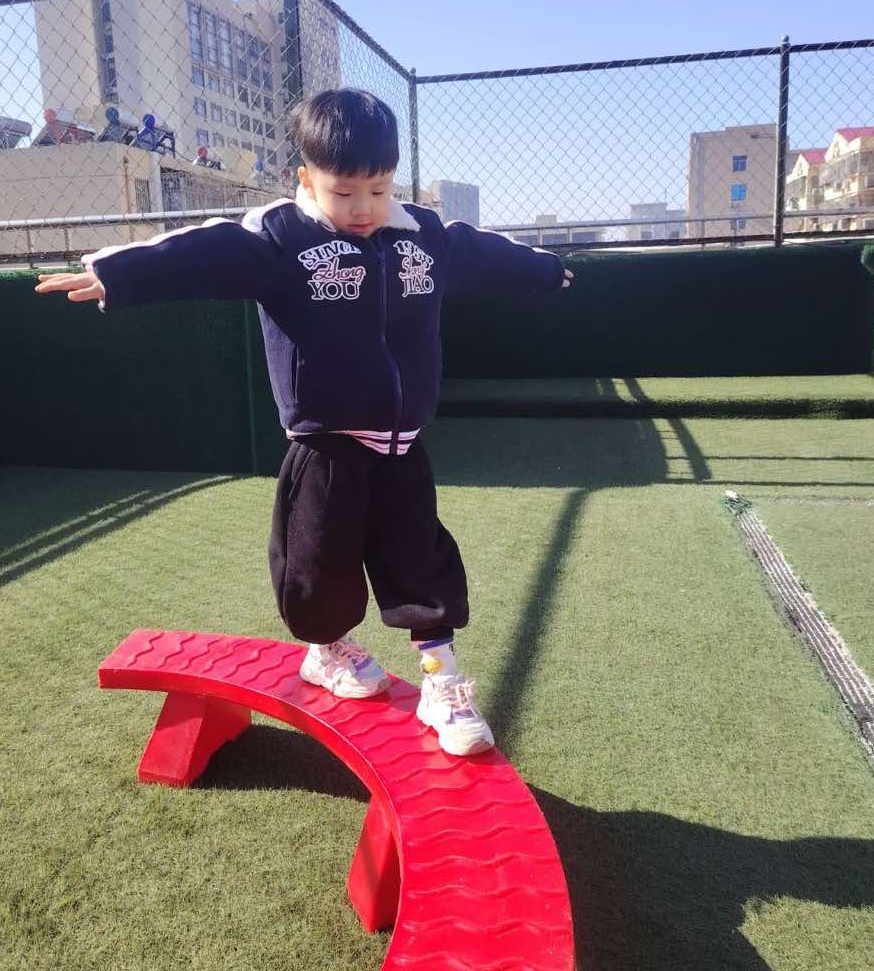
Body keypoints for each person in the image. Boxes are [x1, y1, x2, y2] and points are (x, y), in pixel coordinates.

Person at [36, 89, 572, 755]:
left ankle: (442, 682)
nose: (363, 208)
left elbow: (486, 254)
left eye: (378, 190)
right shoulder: (281, 237)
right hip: (326, 445)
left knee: (422, 561)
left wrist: (547, 270)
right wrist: (118, 275)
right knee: (318, 566)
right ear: (307, 179)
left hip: (403, 446)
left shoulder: (423, 237)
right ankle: (328, 649)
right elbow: (204, 253)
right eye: (344, 192)